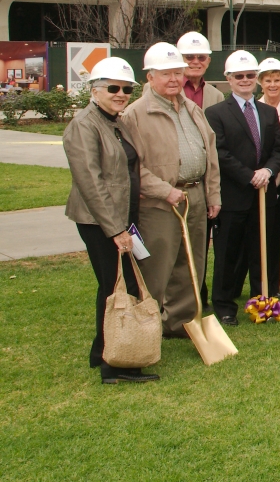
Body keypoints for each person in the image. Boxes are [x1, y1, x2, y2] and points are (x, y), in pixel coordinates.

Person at [64, 56, 158, 384]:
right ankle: (115, 364)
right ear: (94, 90)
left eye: (126, 88)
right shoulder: (84, 125)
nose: (121, 93)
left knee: (113, 285)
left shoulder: (114, 121)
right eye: (113, 88)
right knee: (116, 287)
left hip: (121, 217)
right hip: (99, 221)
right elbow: (90, 181)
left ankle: (101, 351)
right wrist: (115, 228)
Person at [121, 42, 221, 339]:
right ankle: (144, 327)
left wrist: (212, 195)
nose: (174, 79)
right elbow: (132, 165)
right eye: (166, 74)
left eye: (177, 72)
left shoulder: (193, 109)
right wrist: (165, 191)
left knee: (190, 265)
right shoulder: (135, 114)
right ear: (150, 77)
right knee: (157, 267)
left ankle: (180, 323)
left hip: (196, 197)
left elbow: (210, 154)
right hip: (160, 204)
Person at [205, 50, 280, 327]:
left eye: (250, 75)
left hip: (265, 194)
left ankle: (263, 300)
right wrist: (249, 176)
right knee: (229, 253)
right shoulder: (215, 113)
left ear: (256, 78)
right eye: (239, 76)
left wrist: (268, 171)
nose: (245, 80)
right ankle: (225, 306)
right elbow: (220, 152)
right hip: (234, 195)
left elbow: (278, 149)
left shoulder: (268, 111)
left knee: (263, 250)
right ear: (228, 79)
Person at [176, 30, 224, 309]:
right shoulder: (164, 90)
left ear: (208, 61)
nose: (195, 61)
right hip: (174, 182)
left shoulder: (216, 96)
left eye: (201, 57)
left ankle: (198, 296)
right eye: (189, 57)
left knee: (199, 245)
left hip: (204, 182)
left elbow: (215, 146)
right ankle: (174, 301)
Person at [256, 57, 280, 297]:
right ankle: (258, 284)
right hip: (259, 181)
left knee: (276, 232)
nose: (272, 85)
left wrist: (277, 177)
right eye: (268, 80)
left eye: (276, 80)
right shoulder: (256, 108)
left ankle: (273, 286)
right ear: (260, 82)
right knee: (258, 234)